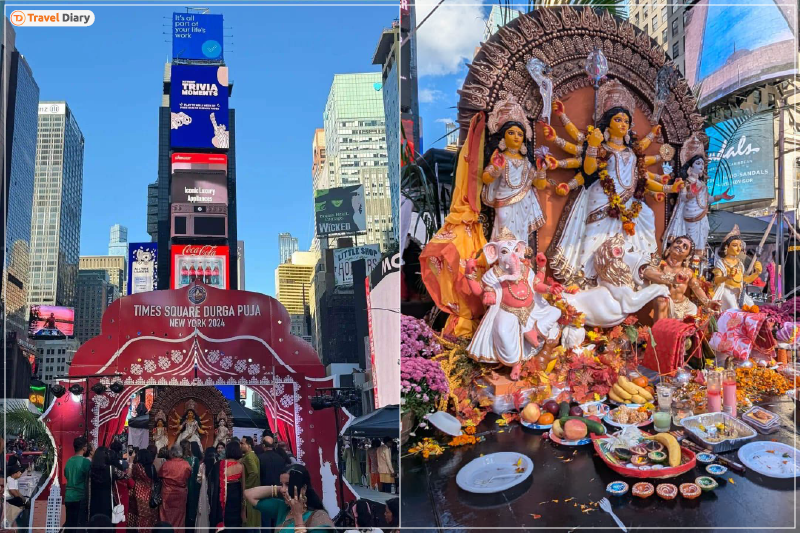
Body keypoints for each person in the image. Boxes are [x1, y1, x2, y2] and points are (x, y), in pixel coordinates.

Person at [244, 464, 334, 532]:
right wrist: (282, 489)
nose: (283, 489)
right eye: (281, 484)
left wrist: (298, 516)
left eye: (288, 484)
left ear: (304, 488)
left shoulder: (319, 518)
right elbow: (249, 494)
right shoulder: (283, 508)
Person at [208, 440, 246, 529]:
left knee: (223, 516)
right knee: (234, 520)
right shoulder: (241, 466)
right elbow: (243, 486)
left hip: (222, 494)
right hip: (236, 494)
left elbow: (212, 482)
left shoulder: (219, 464)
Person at [158, 445, 192, 533]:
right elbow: (189, 476)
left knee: (165, 516)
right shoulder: (186, 465)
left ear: (171, 453)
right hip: (181, 494)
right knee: (179, 518)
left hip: (167, 494)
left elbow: (159, 475)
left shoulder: (166, 464)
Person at [89, 447, 127, 520]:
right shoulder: (111, 469)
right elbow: (124, 476)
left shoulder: (91, 469)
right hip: (107, 500)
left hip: (94, 501)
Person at [129, 448, 159, 533]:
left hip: (137, 493)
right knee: (149, 516)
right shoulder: (152, 467)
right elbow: (156, 480)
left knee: (138, 516)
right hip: (150, 494)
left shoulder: (136, 467)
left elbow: (130, 476)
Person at [64, 436, 91, 530]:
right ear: (84, 447)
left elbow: (66, 475)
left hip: (68, 497)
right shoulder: (85, 462)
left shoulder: (68, 461)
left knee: (69, 524)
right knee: (79, 526)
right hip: (80, 497)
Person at [110, 440, 133, 531]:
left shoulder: (109, 463)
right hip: (122, 494)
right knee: (121, 515)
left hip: (112, 493)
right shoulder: (124, 464)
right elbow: (129, 479)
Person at [239, 436, 261, 529]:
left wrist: (245, 487)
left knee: (249, 519)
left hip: (249, 492)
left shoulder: (249, 457)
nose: (240, 445)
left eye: (242, 443)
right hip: (254, 491)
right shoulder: (251, 455)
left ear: (249, 445)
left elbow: (254, 473)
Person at [182, 440, 201, 528]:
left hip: (181, 487)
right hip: (192, 487)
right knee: (191, 508)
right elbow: (198, 476)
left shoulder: (179, 460)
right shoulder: (195, 460)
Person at [196, 447, 216, 530]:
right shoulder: (217, 464)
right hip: (215, 490)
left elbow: (198, 479)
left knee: (204, 510)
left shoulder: (202, 465)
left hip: (204, 490)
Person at [3, 465, 27, 531]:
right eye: (19, 472)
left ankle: (17, 518)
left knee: (22, 501)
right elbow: (13, 492)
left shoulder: (15, 480)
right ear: (14, 474)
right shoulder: (10, 479)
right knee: (20, 502)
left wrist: (23, 499)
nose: (21, 473)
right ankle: (9, 521)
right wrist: (21, 500)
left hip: (12, 498)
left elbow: (17, 492)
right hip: (8, 499)